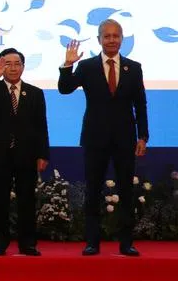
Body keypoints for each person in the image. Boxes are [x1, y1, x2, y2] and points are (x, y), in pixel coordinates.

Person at [58, 19, 148, 256]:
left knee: (126, 191)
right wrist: (67, 65)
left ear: (122, 39)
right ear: (99, 40)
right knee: (93, 191)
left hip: (125, 139)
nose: (111, 40)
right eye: (106, 36)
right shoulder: (87, 67)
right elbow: (65, 89)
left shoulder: (133, 68)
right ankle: (92, 242)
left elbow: (140, 104)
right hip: (95, 138)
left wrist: (143, 136)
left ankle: (126, 243)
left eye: (115, 36)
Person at [0, 48, 49, 256]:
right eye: (8, 64)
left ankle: (28, 243)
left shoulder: (35, 93)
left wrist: (43, 154)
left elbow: (41, 125)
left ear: (23, 67)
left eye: (17, 64)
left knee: (27, 200)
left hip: (27, 154)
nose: (13, 68)